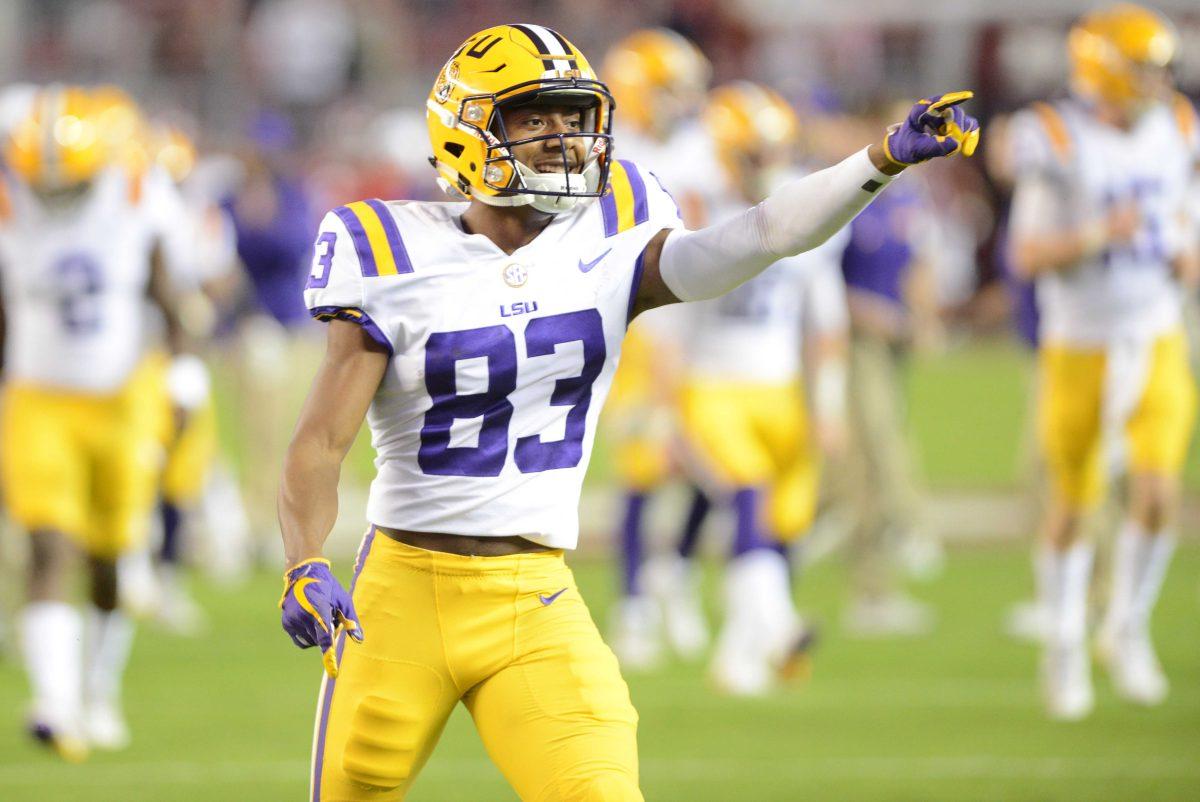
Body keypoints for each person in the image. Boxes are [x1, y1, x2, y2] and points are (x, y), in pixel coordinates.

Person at [278, 23, 978, 800]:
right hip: (398, 597)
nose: (561, 138)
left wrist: (877, 161)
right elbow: (318, 444)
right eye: (533, 118)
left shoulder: (614, 229)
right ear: (467, 129)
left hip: (533, 596)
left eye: (572, 117)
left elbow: (765, 232)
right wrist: (305, 560)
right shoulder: (388, 248)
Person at [1007, 3, 1199, 720]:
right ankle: (1063, 642)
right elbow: (1026, 255)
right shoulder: (1059, 138)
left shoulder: (1178, 126)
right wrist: (1097, 235)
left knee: (1157, 495)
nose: (1158, 79)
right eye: (1144, 67)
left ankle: (1126, 625)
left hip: (1154, 335)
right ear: (1106, 69)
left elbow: (1184, 212)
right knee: (1073, 505)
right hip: (1078, 345)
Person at [0, 85, 194, 758]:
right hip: (39, 398)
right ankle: (54, 705)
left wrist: (184, 370)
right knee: (49, 545)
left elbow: (167, 291)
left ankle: (96, 689)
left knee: (110, 558)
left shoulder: (136, 194)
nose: (53, 196)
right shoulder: (8, 203)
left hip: (121, 396)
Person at [675, 81, 850, 694]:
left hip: (779, 388)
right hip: (712, 385)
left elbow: (825, 319)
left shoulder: (798, 206)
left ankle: (737, 657)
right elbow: (665, 316)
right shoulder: (695, 209)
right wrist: (659, 401)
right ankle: (779, 631)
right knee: (747, 500)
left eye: (770, 151)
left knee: (783, 527)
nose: (767, 164)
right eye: (753, 153)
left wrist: (827, 404)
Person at [598, 28, 717, 668]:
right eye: (670, 87)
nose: (685, 99)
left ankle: (676, 575)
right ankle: (635, 603)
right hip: (643, 334)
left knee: (716, 466)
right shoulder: (612, 162)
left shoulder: (706, 146)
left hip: (707, 331)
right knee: (643, 471)